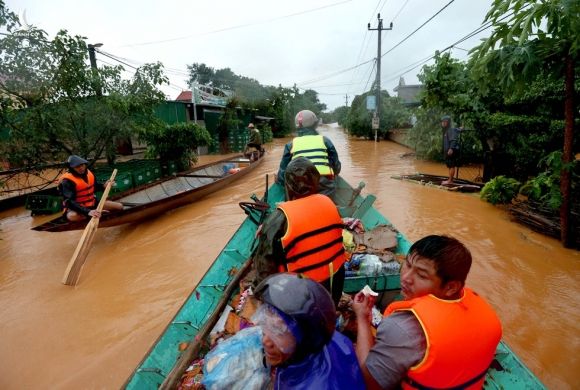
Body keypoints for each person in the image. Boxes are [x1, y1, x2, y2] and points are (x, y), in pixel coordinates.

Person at [353, 235, 502, 390]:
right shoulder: (486, 312)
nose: (405, 278)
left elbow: (367, 382)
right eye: (407, 264)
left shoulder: (402, 328)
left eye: (422, 275)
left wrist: (362, 318)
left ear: (451, 287)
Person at [252, 157, 346, 305]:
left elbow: (264, 274)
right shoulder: (329, 203)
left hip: (301, 299)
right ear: (316, 181)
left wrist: (257, 292)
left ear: (288, 186)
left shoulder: (279, 217)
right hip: (333, 292)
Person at [253, 273, 366, 389]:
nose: (265, 341)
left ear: (305, 341)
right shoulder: (336, 340)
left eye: (278, 331)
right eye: (266, 325)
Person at [277, 109, 341, 198]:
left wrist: (281, 182)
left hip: (299, 187)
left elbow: (282, 174)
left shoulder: (290, 144)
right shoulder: (325, 140)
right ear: (315, 125)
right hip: (324, 186)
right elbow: (337, 167)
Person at [58, 155, 123, 222]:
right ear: (72, 168)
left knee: (119, 206)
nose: (81, 168)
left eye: (82, 165)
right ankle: (96, 215)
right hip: (78, 208)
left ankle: (97, 214)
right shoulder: (67, 181)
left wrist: (103, 186)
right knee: (72, 216)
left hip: (93, 203)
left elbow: (94, 187)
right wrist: (88, 212)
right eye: (77, 167)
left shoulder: (89, 173)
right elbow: (70, 202)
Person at [441, 115, 461, 185]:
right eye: (442, 122)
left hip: (450, 150)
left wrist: (451, 148)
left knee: (452, 165)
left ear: (448, 122)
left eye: (445, 122)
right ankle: (450, 179)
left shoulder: (450, 130)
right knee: (450, 165)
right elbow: (457, 130)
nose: (443, 123)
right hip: (448, 151)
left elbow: (453, 140)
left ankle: (450, 181)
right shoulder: (447, 130)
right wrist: (459, 129)